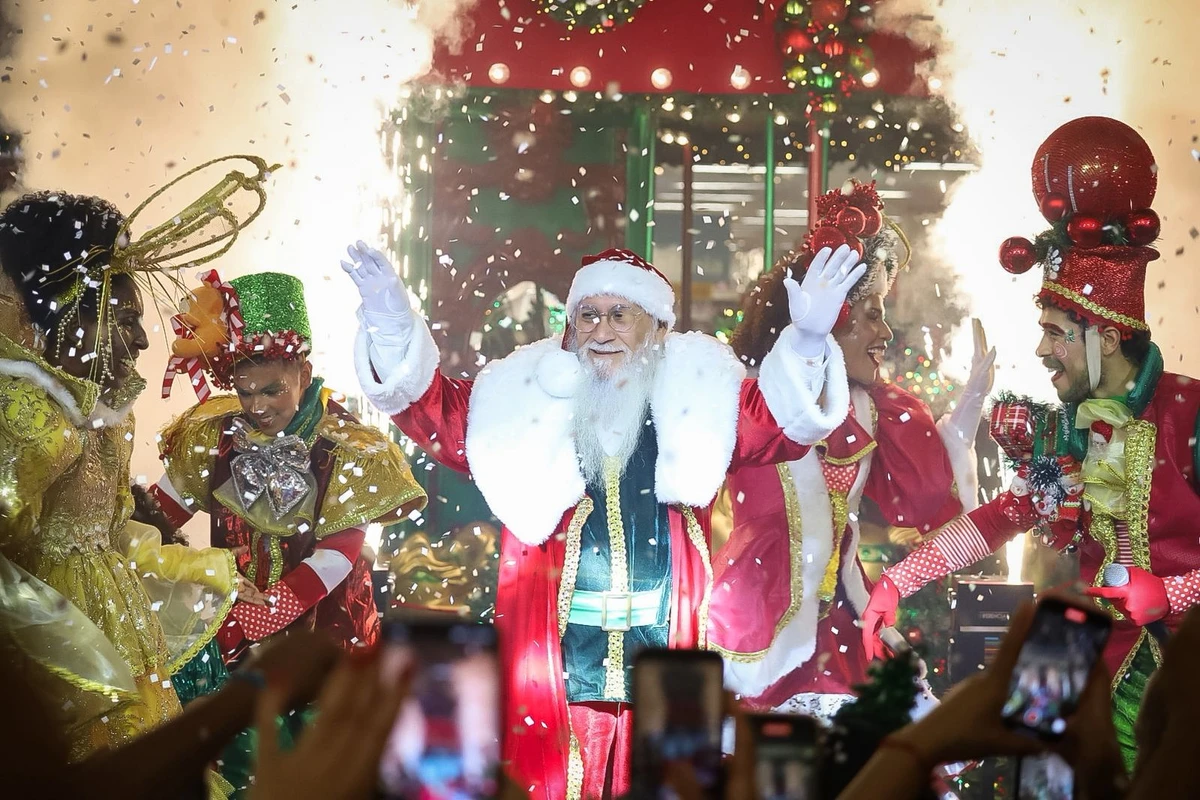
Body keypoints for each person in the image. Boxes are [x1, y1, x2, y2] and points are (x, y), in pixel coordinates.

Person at [343, 240, 867, 799]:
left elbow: (778, 424)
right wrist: (391, 325)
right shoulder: (522, 400)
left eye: (621, 314)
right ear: (569, 329)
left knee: (665, 784)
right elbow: (437, 413)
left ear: (658, 328)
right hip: (560, 660)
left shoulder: (699, 400)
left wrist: (808, 340)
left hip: (664, 653)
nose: (602, 330)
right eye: (589, 315)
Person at [861, 116, 1200, 770]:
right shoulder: (1069, 429)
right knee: (1028, 753)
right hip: (1083, 650)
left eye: (1055, 331)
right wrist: (898, 580)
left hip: (1186, 673)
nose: (1041, 348)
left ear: (1103, 332)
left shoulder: (1190, 414)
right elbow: (999, 519)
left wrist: (1174, 594)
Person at [708, 181, 994, 719]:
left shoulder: (873, 410)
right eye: (871, 314)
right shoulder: (750, 400)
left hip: (844, 618)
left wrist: (964, 420)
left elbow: (927, 502)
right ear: (829, 317)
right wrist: (806, 343)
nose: (885, 331)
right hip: (752, 620)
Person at [0, 191, 241, 758]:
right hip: (53, 675)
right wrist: (66, 641)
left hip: (120, 649)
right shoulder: (23, 419)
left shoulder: (97, 418)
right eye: (123, 319)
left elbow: (109, 537)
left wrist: (203, 570)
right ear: (61, 317)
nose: (138, 340)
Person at [153, 269, 426, 656]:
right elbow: (155, 517)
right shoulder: (214, 434)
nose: (257, 407)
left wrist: (258, 619)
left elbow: (338, 554)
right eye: (245, 393)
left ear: (304, 373)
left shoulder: (348, 448)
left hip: (326, 644)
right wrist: (180, 575)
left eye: (272, 390)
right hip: (229, 643)